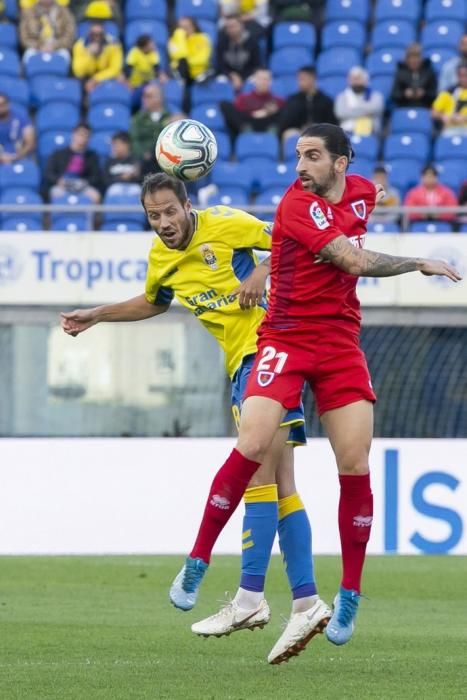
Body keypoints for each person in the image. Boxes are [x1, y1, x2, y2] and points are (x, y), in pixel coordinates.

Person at [169, 123, 461, 654]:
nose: (299, 167)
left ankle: (348, 592)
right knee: (253, 444)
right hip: (285, 338)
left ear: (341, 163)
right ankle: (198, 560)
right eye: (297, 155)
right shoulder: (295, 206)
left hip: (340, 342)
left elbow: (373, 197)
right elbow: (351, 259)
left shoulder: (363, 191)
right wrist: (418, 261)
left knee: (354, 463)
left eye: (311, 156)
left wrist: (376, 197)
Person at [61, 172, 331, 665]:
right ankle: (306, 601)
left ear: (188, 204)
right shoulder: (162, 258)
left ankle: (250, 598)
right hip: (243, 363)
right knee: (281, 483)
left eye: (170, 211)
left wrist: (262, 271)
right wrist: (97, 314)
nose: (163, 222)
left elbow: (298, 241)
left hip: (268, 352)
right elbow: (153, 301)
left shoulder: (228, 224)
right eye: (153, 215)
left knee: (258, 475)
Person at [220, 68, 285, 143]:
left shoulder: (278, 101)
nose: (263, 82)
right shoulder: (243, 99)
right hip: (247, 124)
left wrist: (270, 112)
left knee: (284, 111)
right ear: (254, 80)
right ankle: (245, 131)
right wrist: (255, 113)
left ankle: (271, 135)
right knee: (225, 105)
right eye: (260, 79)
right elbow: (236, 114)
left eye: (266, 79)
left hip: (269, 125)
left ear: (271, 81)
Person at [129, 83, 180, 178]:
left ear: (159, 98)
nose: (144, 99)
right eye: (143, 96)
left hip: (167, 160)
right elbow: (134, 141)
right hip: (146, 162)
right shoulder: (137, 119)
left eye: (148, 96)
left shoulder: (171, 117)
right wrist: (144, 154)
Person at [43, 122, 102, 202]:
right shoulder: (58, 154)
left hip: (83, 186)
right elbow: (49, 173)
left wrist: (85, 182)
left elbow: (96, 176)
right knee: (55, 194)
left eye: (86, 136)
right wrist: (58, 180)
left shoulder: (92, 156)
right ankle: (57, 215)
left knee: (95, 196)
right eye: (81, 135)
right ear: (73, 134)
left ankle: (91, 215)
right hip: (62, 186)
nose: (83, 138)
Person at [278, 66, 336, 140]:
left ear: (312, 79)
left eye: (302, 79)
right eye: (298, 79)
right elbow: (285, 123)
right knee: (290, 134)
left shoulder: (325, 100)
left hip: (320, 132)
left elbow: (332, 123)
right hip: (299, 131)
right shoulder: (293, 99)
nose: (299, 82)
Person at [19, 0, 75, 66]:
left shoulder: (64, 12)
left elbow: (70, 36)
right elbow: (24, 38)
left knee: (65, 55)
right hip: (36, 48)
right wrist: (39, 46)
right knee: (28, 55)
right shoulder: (28, 12)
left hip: (58, 47)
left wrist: (54, 46)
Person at [72, 21, 123, 93]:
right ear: (89, 33)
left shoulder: (113, 44)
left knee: (120, 78)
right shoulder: (79, 45)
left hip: (106, 75)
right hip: (86, 76)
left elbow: (115, 69)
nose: (97, 38)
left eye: (100, 34)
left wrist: (96, 79)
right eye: (94, 34)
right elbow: (78, 72)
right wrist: (89, 55)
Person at [215, 14, 262, 91]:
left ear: (241, 26)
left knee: (254, 81)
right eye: (228, 27)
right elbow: (220, 65)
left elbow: (256, 65)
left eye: (233, 26)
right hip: (229, 75)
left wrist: (241, 77)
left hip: (248, 74)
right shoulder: (222, 42)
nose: (231, 29)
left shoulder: (252, 42)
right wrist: (232, 75)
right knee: (220, 81)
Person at [334, 66, 384, 136]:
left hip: (371, 133)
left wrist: (352, 109)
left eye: (358, 78)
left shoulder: (375, 95)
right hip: (347, 132)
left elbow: (376, 108)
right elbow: (340, 113)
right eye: (353, 79)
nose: (356, 81)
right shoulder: (342, 96)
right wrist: (366, 111)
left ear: (365, 80)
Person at [391, 43, 437, 109]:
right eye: (412, 58)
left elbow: (434, 94)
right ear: (407, 59)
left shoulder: (429, 73)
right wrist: (404, 94)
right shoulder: (400, 73)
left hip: (424, 107)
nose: (414, 61)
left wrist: (424, 94)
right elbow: (394, 94)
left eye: (417, 57)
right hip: (404, 107)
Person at [168, 16, 212, 84]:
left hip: (198, 73)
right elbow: (177, 57)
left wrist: (186, 62)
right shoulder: (174, 40)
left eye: (186, 27)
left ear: (194, 27)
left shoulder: (203, 38)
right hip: (180, 73)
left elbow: (202, 59)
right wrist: (180, 38)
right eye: (180, 28)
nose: (183, 31)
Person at [432, 62, 467, 137]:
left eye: (466, 75)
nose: (464, 79)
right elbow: (434, 113)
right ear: (457, 76)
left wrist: (464, 118)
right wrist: (443, 116)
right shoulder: (448, 92)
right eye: (462, 76)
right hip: (450, 128)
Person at [0, 93, 35, 164]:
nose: (1, 107)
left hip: (19, 158)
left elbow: (30, 142)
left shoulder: (21, 118)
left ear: (8, 104)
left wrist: (17, 157)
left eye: (3, 104)